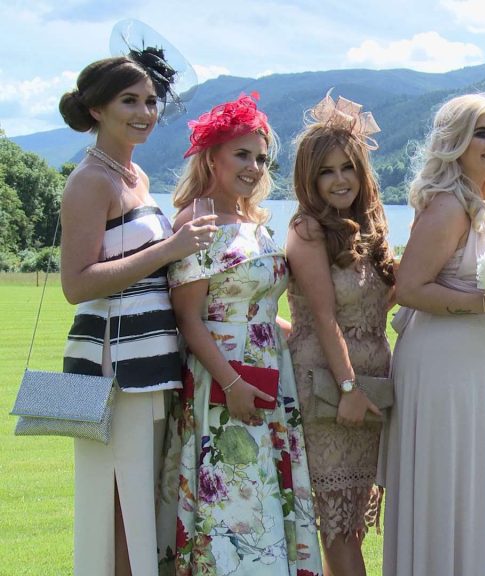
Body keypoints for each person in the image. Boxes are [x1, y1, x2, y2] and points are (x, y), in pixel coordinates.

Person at [58, 50, 214, 575]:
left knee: (144, 504)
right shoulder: (89, 182)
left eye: (150, 101)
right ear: (96, 109)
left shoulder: (136, 175)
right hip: (109, 371)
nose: (145, 111)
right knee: (116, 506)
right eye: (130, 100)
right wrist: (168, 250)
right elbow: (75, 284)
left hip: (150, 364)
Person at [162, 93, 323, 575]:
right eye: (242, 154)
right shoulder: (196, 222)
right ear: (212, 156)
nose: (254, 166)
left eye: (260, 156)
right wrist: (230, 384)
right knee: (234, 497)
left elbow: (260, 309)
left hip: (272, 371)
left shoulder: (255, 223)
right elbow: (189, 318)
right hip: (224, 379)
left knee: (266, 496)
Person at [382, 93, 485, 576]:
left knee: (469, 485)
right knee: (444, 484)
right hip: (444, 369)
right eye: (481, 132)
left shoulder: (482, 205)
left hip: (478, 371)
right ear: (455, 141)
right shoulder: (449, 206)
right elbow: (410, 288)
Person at [286, 93, 395, 575]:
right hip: (331, 391)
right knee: (338, 528)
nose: (339, 180)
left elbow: (383, 302)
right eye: (327, 171)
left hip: (371, 393)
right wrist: (349, 386)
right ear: (309, 180)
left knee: (350, 526)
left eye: (348, 167)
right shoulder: (307, 229)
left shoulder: (367, 230)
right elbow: (325, 316)